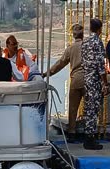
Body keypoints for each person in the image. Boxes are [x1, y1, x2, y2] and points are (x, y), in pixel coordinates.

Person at [42, 24, 84, 142]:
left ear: (73, 35)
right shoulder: (88, 47)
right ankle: (89, 134)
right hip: (88, 80)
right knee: (90, 108)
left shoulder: (70, 49)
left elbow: (59, 64)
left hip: (75, 80)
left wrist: (46, 74)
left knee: (73, 108)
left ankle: (71, 133)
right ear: (83, 34)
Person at [81, 18, 109, 150]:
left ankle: (88, 137)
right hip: (95, 80)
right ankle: (90, 140)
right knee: (93, 109)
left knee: (88, 109)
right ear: (99, 29)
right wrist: (105, 83)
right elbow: (100, 66)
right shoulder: (98, 42)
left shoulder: (85, 42)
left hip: (86, 78)